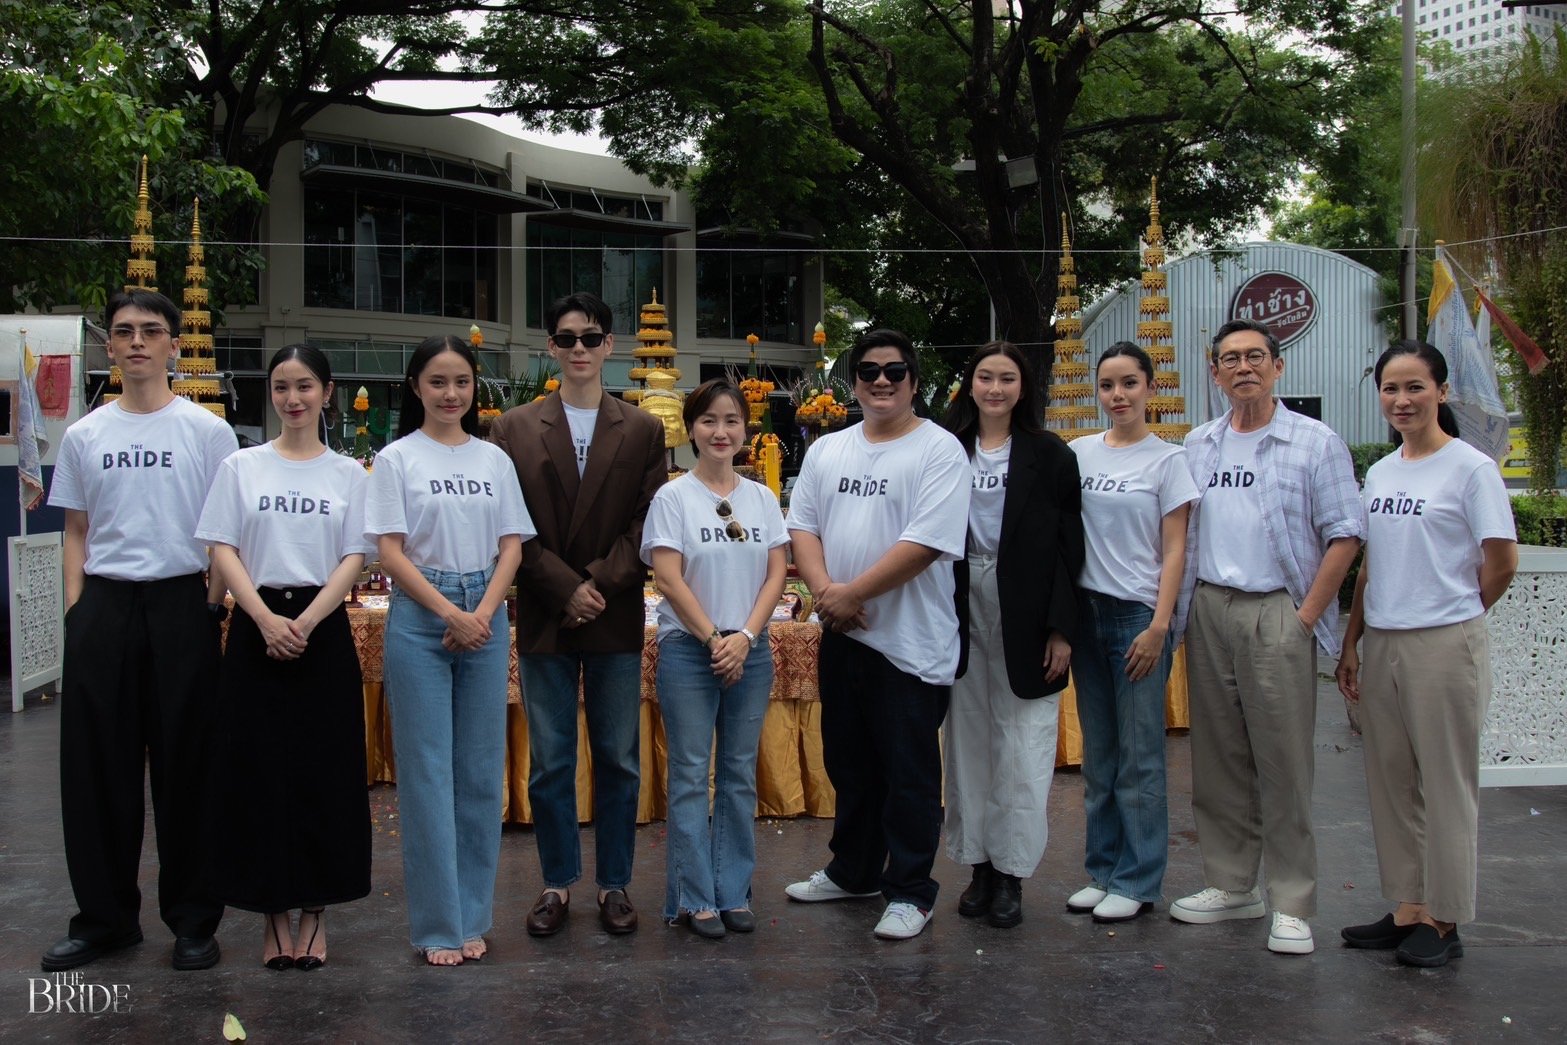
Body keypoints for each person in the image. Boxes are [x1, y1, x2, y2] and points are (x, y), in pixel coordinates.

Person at [42, 289, 238, 972]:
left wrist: (211, 605)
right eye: (123, 331)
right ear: (109, 347)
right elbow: (75, 530)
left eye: (150, 331)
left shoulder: (207, 433)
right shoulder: (85, 434)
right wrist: (77, 608)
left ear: (173, 347)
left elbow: (221, 535)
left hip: (183, 604)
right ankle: (104, 918)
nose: (135, 342)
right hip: (104, 607)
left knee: (188, 769)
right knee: (97, 771)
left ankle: (192, 920)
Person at [1171, 317, 1364, 955]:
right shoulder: (1198, 444)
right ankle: (1232, 886)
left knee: (1283, 760)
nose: (1244, 367)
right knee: (1218, 758)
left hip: (1279, 607)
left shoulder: (1314, 442)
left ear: (1277, 367)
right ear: (1215, 372)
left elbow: (1345, 532)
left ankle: (1291, 900)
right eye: (1230, 359)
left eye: (1256, 356)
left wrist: (1308, 615)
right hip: (1211, 608)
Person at [1335, 340, 1517, 968]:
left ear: (1440, 391)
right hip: (1382, 639)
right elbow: (1368, 568)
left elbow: (1501, 562)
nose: (1402, 400)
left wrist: (1455, 616)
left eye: (1415, 387)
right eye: (1390, 388)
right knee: (1391, 782)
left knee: (1445, 784)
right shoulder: (1383, 472)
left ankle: (1444, 918)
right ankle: (1408, 907)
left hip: (1443, 643)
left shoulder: (1471, 469)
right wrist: (1352, 643)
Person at [784, 328, 970, 941]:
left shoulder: (940, 451)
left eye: (894, 370)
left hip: (909, 643)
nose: (882, 381)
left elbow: (926, 544)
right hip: (844, 636)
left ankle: (911, 889)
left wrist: (850, 594)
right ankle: (855, 870)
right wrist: (826, 595)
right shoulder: (827, 450)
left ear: (914, 380)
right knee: (850, 763)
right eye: (869, 371)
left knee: (908, 772)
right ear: (853, 382)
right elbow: (803, 529)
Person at [490, 291, 666, 937]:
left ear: (610, 345)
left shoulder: (643, 428)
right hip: (544, 612)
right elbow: (509, 525)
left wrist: (596, 583)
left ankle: (614, 881)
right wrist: (564, 587)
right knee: (552, 760)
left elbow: (649, 521)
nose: (579, 349)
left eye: (591, 337)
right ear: (550, 347)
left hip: (614, 612)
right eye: (566, 338)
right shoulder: (511, 428)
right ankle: (557, 881)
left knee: (619, 756)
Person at [196, 344, 373, 971]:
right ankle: (272, 914)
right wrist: (265, 619)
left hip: (321, 629)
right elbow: (221, 548)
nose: (292, 399)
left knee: (326, 773)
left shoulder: (350, 474)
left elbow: (355, 555)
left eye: (304, 386)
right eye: (280, 387)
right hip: (255, 627)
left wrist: (304, 620)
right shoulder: (241, 468)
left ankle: (316, 913)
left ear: (327, 391)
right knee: (257, 772)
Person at [366, 335, 533, 966]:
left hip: (485, 616)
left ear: (474, 387)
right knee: (428, 773)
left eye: (461, 381)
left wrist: (482, 613)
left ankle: (473, 916)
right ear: (416, 388)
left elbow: (512, 544)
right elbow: (389, 550)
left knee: (479, 773)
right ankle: (437, 925)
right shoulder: (396, 459)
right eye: (437, 382)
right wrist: (448, 614)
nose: (450, 393)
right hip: (421, 617)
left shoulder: (494, 460)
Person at [940, 341, 1083, 929]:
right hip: (958, 599)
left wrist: (1061, 628)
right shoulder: (945, 451)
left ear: (1023, 387)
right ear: (969, 384)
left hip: (1026, 604)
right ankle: (977, 865)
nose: (995, 388)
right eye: (984, 377)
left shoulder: (1050, 456)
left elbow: (1070, 549)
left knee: (1023, 741)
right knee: (967, 742)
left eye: (1006, 378)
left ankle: (1012, 874)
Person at [641, 379, 789, 938]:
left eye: (731, 420)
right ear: (691, 429)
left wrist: (746, 637)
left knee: (736, 775)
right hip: (689, 650)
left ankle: (733, 891)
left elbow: (777, 570)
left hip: (748, 651)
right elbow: (667, 576)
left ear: (745, 430)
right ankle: (694, 897)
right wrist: (713, 640)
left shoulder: (761, 498)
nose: (720, 431)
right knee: (687, 775)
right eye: (708, 421)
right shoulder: (673, 497)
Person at [1066, 342, 1199, 923]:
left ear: (1150, 388)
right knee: (1100, 752)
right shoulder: (1078, 454)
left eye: (1128, 384)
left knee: (1141, 755)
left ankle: (1139, 879)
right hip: (1085, 614)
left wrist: (1161, 625)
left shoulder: (1167, 461)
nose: (1117, 396)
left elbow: (1176, 550)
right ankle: (1103, 868)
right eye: (1107, 386)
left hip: (1138, 617)